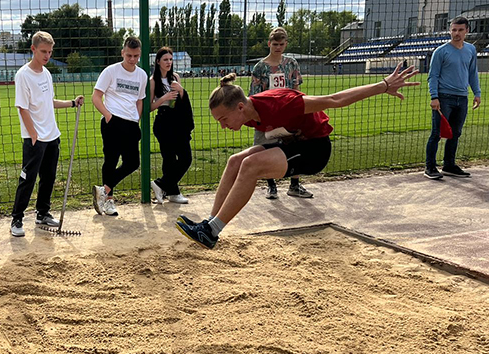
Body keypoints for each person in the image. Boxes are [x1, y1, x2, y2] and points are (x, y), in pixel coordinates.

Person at [175, 64, 420, 249]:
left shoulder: (283, 103)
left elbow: (335, 100)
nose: (223, 127)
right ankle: (209, 226)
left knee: (250, 165)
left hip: (316, 150)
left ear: (240, 107)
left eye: (223, 120)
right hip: (293, 144)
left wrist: (384, 85)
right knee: (235, 161)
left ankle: (213, 230)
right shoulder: (247, 114)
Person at [10, 31, 84, 237]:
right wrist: (32, 133)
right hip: (35, 138)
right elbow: (22, 108)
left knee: (49, 177)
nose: (47, 56)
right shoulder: (23, 75)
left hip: (52, 135)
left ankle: (42, 213)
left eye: (50, 52)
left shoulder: (47, 73)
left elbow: (49, 102)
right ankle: (16, 218)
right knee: (28, 178)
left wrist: (71, 103)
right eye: (43, 51)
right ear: (33, 49)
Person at [249, 27, 311, 200]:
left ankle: (294, 185)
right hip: (268, 114)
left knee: (296, 145)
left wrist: (299, 112)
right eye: (275, 44)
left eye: (281, 44)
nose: (278, 47)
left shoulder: (291, 64)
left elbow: (296, 89)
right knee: (266, 148)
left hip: (289, 112)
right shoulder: (260, 67)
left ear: (286, 44)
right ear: (269, 44)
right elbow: (254, 95)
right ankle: (271, 186)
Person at [91, 36, 148, 216]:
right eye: (129, 55)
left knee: (133, 163)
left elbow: (140, 100)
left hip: (131, 123)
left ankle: (104, 189)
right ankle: (108, 201)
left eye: (136, 56)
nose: (132, 59)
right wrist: (108, 116)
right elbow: (96, 96)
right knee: (111, 160)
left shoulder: (142, 75)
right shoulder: (110, 71)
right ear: (122, 52)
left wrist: (136, 119)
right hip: (113, 121)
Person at [424, 16, 481, 179]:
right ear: (450, 30)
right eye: (454, 30)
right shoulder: (440, 52)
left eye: (460, 30)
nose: (456, 33)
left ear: (467, 31)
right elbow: (432, 76)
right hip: (444, 97)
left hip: (462, 98)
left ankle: (449, 165)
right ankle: (430, 167)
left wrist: (477, 93)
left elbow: (472, 73)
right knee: (436, 133)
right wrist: (434, 97)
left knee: (455, 133)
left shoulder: (471, 50)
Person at [148, 47, 194, 204]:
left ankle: (161, 185)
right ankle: (173, 192)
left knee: (186, 158)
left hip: (178, 121)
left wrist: (181, 91)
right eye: (165, 59)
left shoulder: (175, 77)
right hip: (163, 121)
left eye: (170, 59)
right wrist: (164, 98)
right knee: (168, 159)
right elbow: (149, 107)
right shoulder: (153, 81)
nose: (168, 62)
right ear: (158, 61)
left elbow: (181, 102)